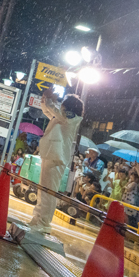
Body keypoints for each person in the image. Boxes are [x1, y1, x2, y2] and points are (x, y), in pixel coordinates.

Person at [28, 89, 84, 234]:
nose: (62, 106)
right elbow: (49, 112)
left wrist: (50, 100)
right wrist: (45, 100)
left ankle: (44, 223)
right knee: (43, 191)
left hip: (57, 158)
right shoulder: (62, 118)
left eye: (64, 104)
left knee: (48, 192)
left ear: (70, 107)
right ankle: (38, 219)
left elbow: (56, 112)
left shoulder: (72, 118)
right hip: (51, 156)